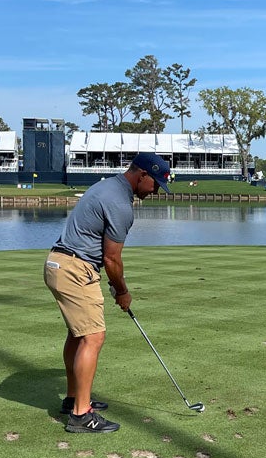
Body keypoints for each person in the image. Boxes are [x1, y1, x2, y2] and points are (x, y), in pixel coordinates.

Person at [43, 152, 172, 435]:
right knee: (94, 337)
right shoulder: (120, 204)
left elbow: (104, 254)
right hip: (75, 268)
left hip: (58, 262)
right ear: (143, 175)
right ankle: (80, 415)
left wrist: (113, 283)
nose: (155, 193)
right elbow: (112, 259)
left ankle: (75, 399)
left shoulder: (106, 185)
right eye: (155, 185)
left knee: (79, 334)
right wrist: (123, 291)